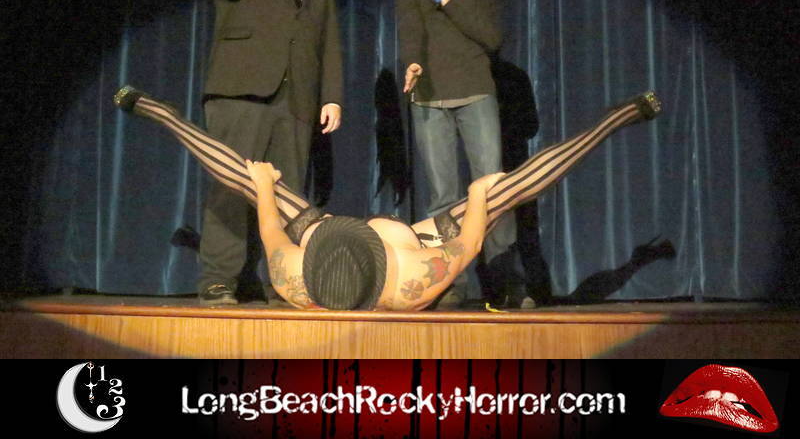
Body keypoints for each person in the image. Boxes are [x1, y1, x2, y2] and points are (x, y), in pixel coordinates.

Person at [113, 85, 661, 311]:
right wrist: (477, 195)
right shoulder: (413, 278)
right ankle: (617, 118)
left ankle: (159, 112)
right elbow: (470, 242)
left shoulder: (294, 276)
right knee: (506, 189)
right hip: (416, 242)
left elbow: (271, 231)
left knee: (251, 180)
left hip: (330, 254)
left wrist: (261, 186)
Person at [199, 0, 343, 305]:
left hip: (296, 98)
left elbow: (328, 42)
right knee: (232, 188)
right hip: (240, 90)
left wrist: (331, 95)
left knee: (288, 195)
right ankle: (219, 279)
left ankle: (283, 279)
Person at [394, 0, 517, 307]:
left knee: (493, 189)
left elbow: (492, 38)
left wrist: (450, 0)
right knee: (442, 199)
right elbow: (410, 33)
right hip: (430, 99)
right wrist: (412, 63)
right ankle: (449, 283)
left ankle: (505, 281)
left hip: (475, 94)